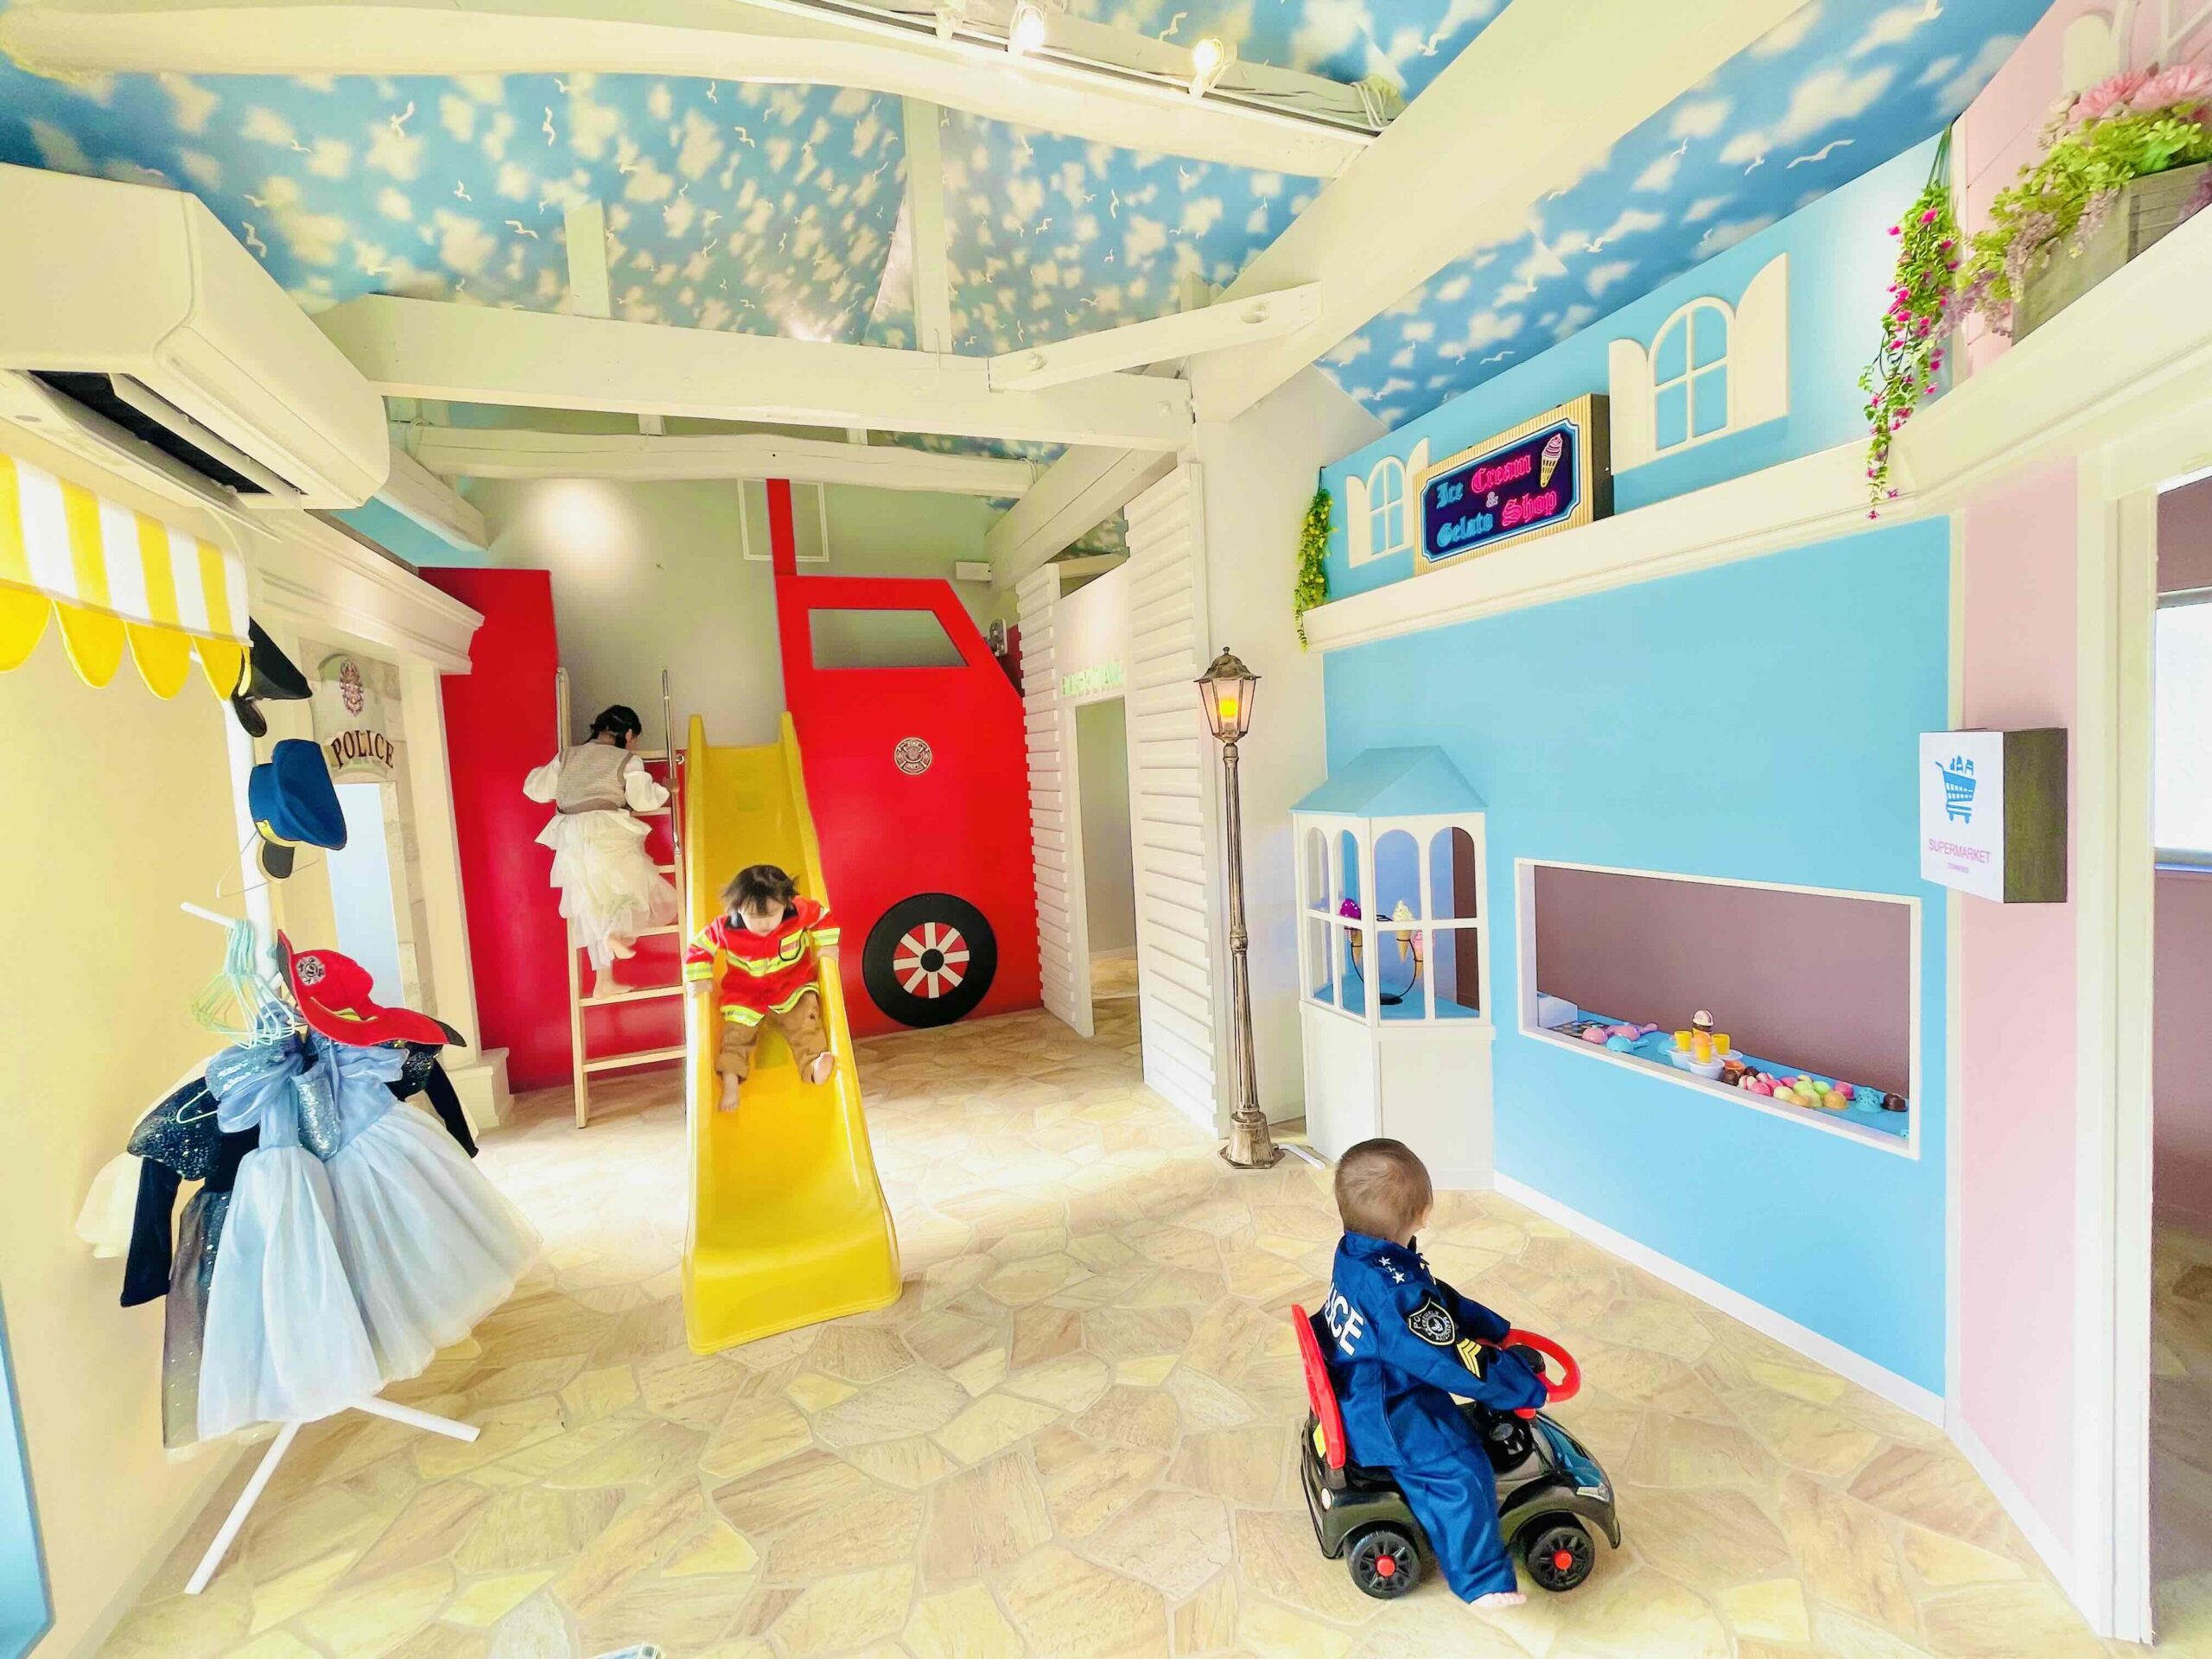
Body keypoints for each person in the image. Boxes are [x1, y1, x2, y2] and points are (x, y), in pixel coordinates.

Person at [1319, 1137, 1549, 1609]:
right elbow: (1450, 1362)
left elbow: (1435, 1298)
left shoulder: (1363, 1255)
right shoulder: (1396, 1297)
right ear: (1420, 1214)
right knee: (1462, 1473)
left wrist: (1493, 1329)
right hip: (1389, 1413)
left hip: (1367, 1383)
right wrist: (1520, 1383)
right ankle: (1482, 1582)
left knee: (1464, 1437)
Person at [524, 704, 677, 998]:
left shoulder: (567, 757)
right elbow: (643, 800)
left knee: (592, 905)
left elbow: (536, 790)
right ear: (629, 734)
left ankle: (603, 981)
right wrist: (665, 789)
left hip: (570, 835)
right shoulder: (626, 760)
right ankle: (615, 934)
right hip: (607, 828)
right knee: (633, 887)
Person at [684, 863, 839, 1113]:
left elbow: (822, 917)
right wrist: (699, 978)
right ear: (738, 908)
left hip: (791, 987)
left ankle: (812, 1066)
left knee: (806, 1020)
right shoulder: (726, 928)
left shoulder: (798, 912)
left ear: (786, 903)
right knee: (736, 1034)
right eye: (755, 917)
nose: (765, 923)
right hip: (746, 995)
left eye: (772, 914)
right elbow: (698, 948)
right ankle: (731, 1082)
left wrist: (827, 945)